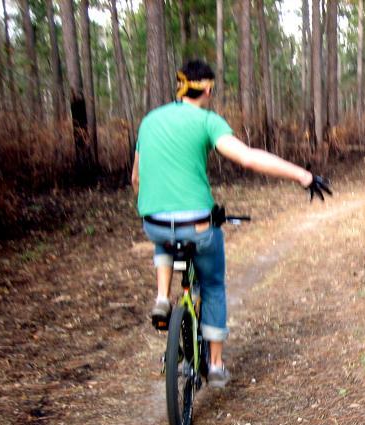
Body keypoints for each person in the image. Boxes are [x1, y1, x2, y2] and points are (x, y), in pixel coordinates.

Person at [132, 59, 331, 388]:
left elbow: (136, 178)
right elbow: (248, 157)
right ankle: (217, 363)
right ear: (207, 89)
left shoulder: (149, 120)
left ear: (180, 87)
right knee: (211, 285)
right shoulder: (208, 121)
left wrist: (157, 202)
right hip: (198, 224)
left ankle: (162, 298)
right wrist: (304, 175)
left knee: (162, 234)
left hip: (153, 220)